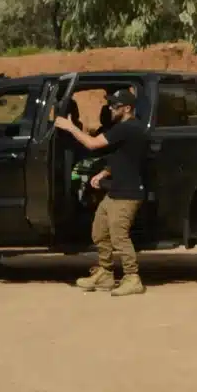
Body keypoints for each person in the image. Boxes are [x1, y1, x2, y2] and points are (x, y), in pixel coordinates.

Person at [53, 86, 150, 296]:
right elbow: (125, 157)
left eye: (114, 106)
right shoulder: (125, 129)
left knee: (119, 237)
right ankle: (105, 273)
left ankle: (133, 278)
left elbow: (92, 144)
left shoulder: (128, 128)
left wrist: (70, 127)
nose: (110, 109)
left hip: (128, 193)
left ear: (126, 108)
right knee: (99, 231)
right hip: (116, 190)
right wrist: (104, 173)